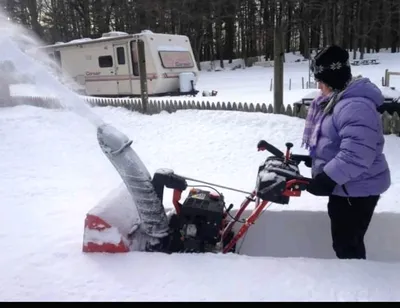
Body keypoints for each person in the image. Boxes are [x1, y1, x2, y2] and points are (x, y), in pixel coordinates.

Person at [302, 45, 391, 260]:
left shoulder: (354, 106)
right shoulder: (340, 100)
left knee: (347, 247)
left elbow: (357, 153)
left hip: (356, 189)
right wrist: (314, 160)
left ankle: (356, 286)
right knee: (345, 243)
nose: (319, 86)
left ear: (332, 78)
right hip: (349, 185)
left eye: (321, 80)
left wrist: (328, 177)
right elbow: (336, 141)